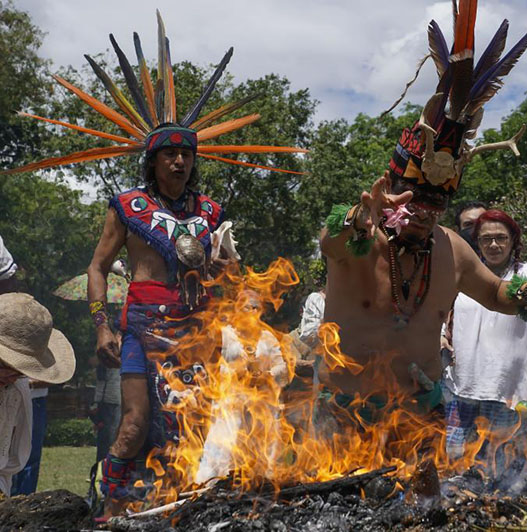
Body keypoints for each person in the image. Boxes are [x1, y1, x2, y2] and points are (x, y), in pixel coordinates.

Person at [6, 16, 303, 515]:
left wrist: (234, 277)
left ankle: (180, 506)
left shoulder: (210, 212)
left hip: (199, 328)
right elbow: (98, 267)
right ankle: (110, 507)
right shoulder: (126, 205)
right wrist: (102, 327)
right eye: (169, 154)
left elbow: (227, 276)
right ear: (153, 160)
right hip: (141, 326)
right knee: (134, 424)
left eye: (186, 154)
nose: (179, 162)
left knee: (195, 424)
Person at [319, 2, 527, 464]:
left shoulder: (452, 249)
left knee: (423, 508)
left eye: (436, 203)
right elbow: (333, 241)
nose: (423, 212)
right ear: (391, 190)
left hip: (420, 412)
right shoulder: (361, 239)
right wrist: (357, 219)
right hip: (348, 414)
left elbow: (500, 294)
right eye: (413, 198)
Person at [443, 210, 527, 468]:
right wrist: (440, 340)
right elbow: (442, 315)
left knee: (501, 475)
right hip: (463, 389)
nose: (493, 245)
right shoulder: (462, 277)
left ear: (513, 240)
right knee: (455, 468)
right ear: (476, 242)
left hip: (508, 394)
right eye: (486, 238)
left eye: (501, 238)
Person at [0, 293, 75, 496]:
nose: (10, 377)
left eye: (18, 372)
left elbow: (11, 459)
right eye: (3, 366)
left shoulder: (17, 391)